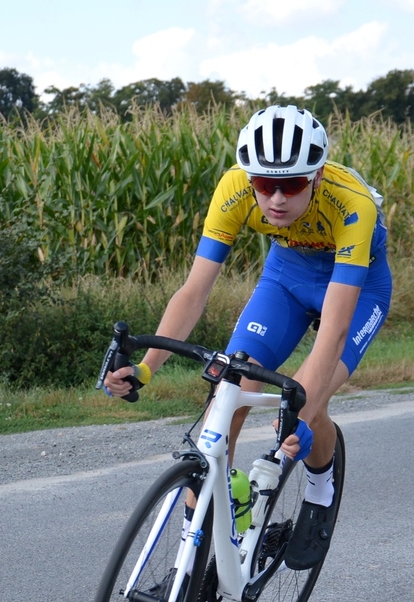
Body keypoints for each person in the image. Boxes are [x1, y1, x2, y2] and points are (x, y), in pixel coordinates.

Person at [104, 105, 391, 568]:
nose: (275, 199)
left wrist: (300, 411)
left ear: (317, 176)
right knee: (232, 385)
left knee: (304, 402)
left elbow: (333, 333)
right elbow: (193, 292)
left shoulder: (351, 204)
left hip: (357, 286)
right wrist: (145, 368)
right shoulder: (234, 187)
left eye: (291, 186)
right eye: (263, 183)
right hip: (286, 277)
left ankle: (320, 490)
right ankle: (189, 566)